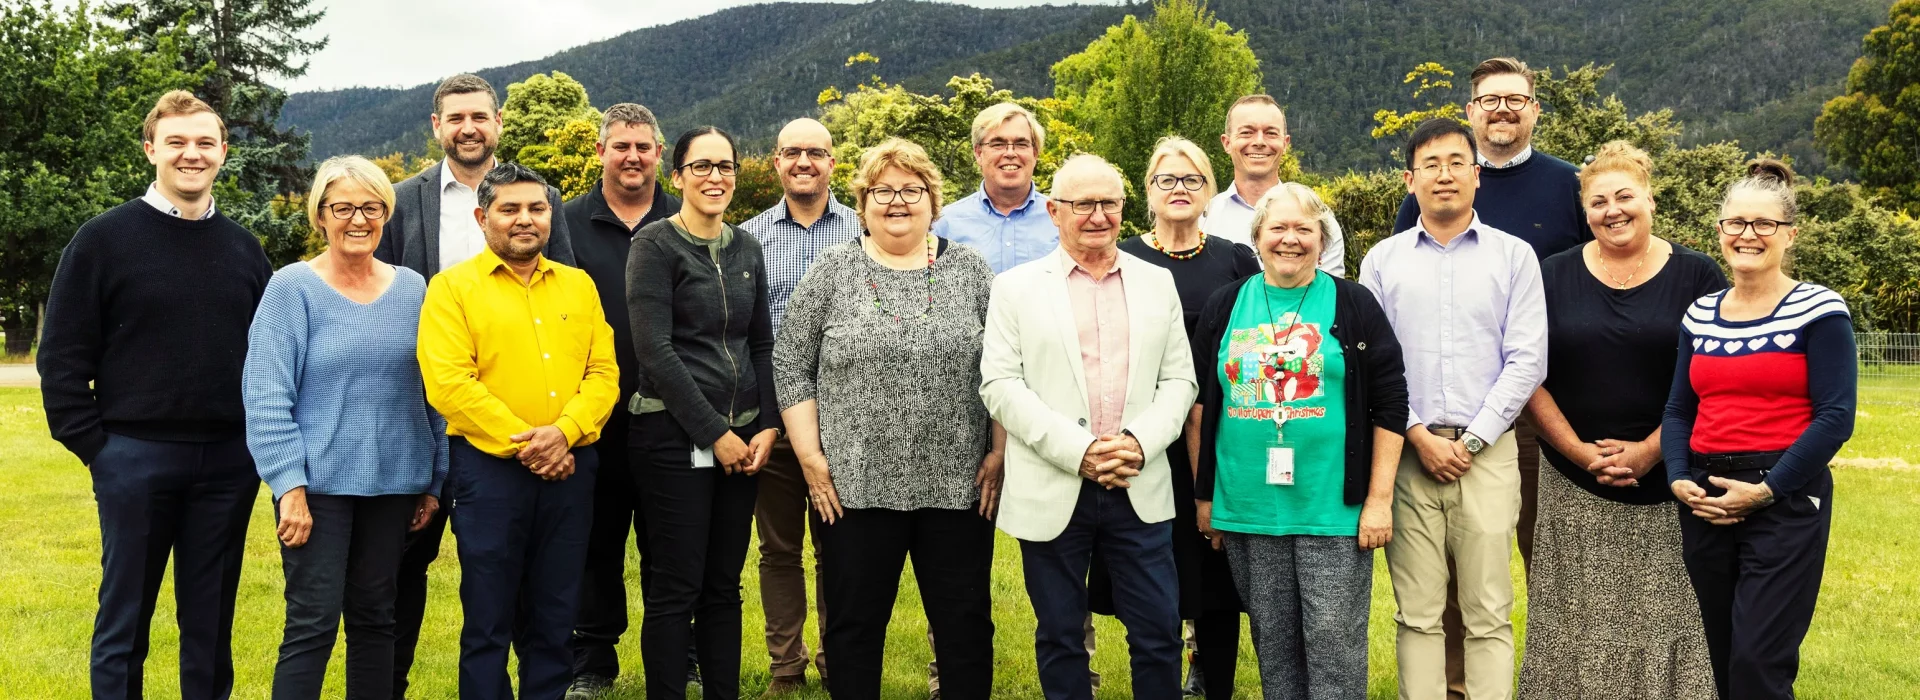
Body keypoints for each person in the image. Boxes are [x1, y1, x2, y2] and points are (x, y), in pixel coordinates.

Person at [39, 89, 272, 700]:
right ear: (151, 150)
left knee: (209, 624)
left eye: (203, 143)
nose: (190, 154)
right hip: (134, 457)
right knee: (124, 620)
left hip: (227, 463)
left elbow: (267, 360)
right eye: (176, 142)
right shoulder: (103, 240)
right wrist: (98, 449)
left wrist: (252, 450)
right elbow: (61, 357)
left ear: (223, 151)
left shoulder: (245, 249)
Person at [374, 73, 579, 697]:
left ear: (497, 123)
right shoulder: (403, 201)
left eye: (480, 116)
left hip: (521, 420)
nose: (469, 127)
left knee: (519, 574)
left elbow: (561, 294)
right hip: (421, 406)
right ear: (436, 126)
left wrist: (549, 432)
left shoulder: (535, 199)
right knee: (406, 562)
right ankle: (387, 685)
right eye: (455, 116)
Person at [773, 138, 1000, 700]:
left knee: (965, 625)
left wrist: (998, 453)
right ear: (864, 200)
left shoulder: (970, 271)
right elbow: (791, 363)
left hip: (958, 486)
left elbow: (1003, 366)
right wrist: (810, 459)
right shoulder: (831, 272)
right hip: (853, 489)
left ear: (932, 199)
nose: (897, 202)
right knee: (853, 628)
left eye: (911, 190)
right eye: (882, 191)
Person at [980, 153, 1198, 700]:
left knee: (1158, 633)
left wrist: (1137, 445)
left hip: (1138, 483)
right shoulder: (1015, 288)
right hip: (1055, 485)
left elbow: (1180, 383)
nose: (1098, 215)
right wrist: (1079, 451)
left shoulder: (1157, 283)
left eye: (1110, 203)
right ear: (1054, 211)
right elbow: (1001, 386)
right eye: (1083, 204)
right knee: (1059, 635)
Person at [1516, 141, 1722, 699]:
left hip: (1670, 481)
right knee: (1574, 619)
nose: (1613, 210)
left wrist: (1650, 450)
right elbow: (1525, 371)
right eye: (1598, 201)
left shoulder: (1699, 276)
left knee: (1669, 618)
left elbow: (1714, 376)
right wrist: (1580, 451)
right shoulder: (1550, 275)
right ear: (1584, 212)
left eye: (1625, 196)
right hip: (1571, 479)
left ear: (1651, 199)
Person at [244, 156, 448, 700]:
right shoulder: (292, 288)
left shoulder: (413, 289)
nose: (358, 219)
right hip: (318, 490)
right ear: (321, 215)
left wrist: (433, 481)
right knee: (311, 625)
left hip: (394, 486)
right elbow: (266, 395)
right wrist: (289, 487)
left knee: (377, 619)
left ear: (386, 213)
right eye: (343, 207)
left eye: (372, 207)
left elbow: (434, 392)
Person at [1192, 184, 1408, 700]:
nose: (1290, 240)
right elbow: (1199, 406)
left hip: (1331, 507)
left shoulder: (1353, 303)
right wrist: (1206, 498)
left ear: (1321, 238)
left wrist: (1378, 501)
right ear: (1257, 237)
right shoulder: (1227, 304)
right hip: (1248, 507)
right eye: (1278, 229)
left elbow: (1390, 405)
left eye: (1304, 229)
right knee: (1275, 646)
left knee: (1335, 645)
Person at [417, 163, 620, 700]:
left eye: (536, 208)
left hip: (572, 468)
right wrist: (533, 444)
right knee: (488, 615)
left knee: (556, 614)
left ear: (550, 215)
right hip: (489, 474)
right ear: (483, 218)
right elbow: (450, 385)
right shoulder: (451, 289)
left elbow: (603, 374)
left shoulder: (579, 287)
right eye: (510, 209)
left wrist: (566, 432)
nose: (524, 219)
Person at [1361, 119, 1546, 700]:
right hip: (1406, 456)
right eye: (1430, 165)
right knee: (1417, 610)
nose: (1444, 174)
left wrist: (1470, 442)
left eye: (1455, 162)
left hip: (1488, 454)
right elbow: (1375, 365)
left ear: (1476, 174)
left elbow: (1527, 360)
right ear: (1411, 179)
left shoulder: (1515, 257)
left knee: (1489, 608)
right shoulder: (1382, 261)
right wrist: (1417, 435)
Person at [1663, 160, 1856, 700]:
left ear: (1789, 234)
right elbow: (1679, 408)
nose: (1748, 235)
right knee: (1724, 659)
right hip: (1703, 497)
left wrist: (1767, 489)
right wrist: (1678, 476)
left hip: (1784, 499)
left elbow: (1836, 416)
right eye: (1736, 223)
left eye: (1764, 224)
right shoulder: (1700, 314)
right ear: (1720, 231)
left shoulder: (1818, 308)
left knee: (1758, 662)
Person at [626, 126, 782, 700]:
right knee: (676, 586)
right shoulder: (654, 246)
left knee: (723, 585)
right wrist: (715, 432)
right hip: (671, 438)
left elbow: (762, 343)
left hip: (745, 443)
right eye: (702, 167)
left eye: (726, 167)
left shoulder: (747, 248)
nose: (715, 177)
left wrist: (766, 424)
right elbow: (655, 351)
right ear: (678, 176)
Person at [1112, 136, 1259, 697]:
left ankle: (1214, 683)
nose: (1179, 190)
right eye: (1167, 180)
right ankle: (1158, 683)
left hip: (1221, 436)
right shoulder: (1125, 257)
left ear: (1209, 190)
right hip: (1144, 438)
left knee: (1216, 573)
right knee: (1153, 575)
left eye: (1192, 180)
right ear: (1148, 190)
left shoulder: (1236, 260)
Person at [560, 102, 687, 700]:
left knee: (673, 540)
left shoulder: (688, 218)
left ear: (660, 155)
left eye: (644, 147)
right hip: (594, 415)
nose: (632, 157)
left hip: (675, 416)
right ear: (601, 152)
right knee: (595, 543)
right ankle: (592, 659)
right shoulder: (566, 222)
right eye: (621, 146)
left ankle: (678, 651)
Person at [739, 117, 861, 696]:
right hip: (776, 417)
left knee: (841, 546)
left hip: (851, 417)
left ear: (833, 162)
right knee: (779, 549)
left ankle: (840, 660)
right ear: (777, 161)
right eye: (792, 152)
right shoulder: (748, 237)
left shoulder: (866, 230)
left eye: (816, 152)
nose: (804, 162)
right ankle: (786, 666)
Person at [1203, 95, 1346, 275]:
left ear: (1285, 144)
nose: (1259, 142)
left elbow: (1327, 294)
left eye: (1270, 133)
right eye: (1247, 132)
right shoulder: (1203, 219)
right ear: (1227, 143)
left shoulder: (1319, 221)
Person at [933, 102, 1059, 274]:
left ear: (1035, 153)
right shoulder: (946, 225)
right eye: (997, 144)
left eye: (1021, 144)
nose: (1010, 153)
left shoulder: (1061, 220)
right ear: (978, 153)